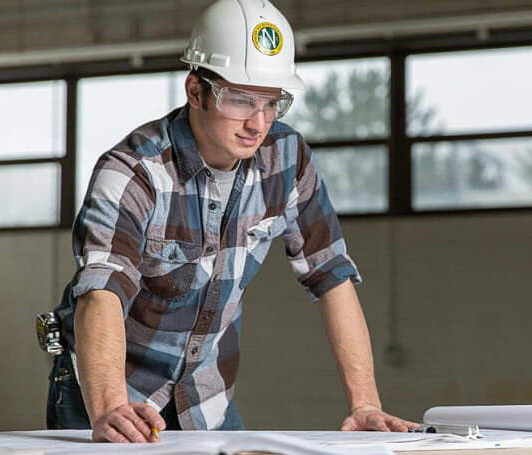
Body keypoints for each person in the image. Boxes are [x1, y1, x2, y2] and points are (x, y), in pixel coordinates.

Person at [47, 0, 416, 443]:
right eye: (239, 100)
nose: (257, 123)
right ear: (195, 91)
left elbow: (331, 275)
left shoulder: (287, 158)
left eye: (272, 103)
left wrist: (365, 404)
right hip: (109, 391)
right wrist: (108, 408)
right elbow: (101, 291)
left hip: (207, 398)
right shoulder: (133, 171)